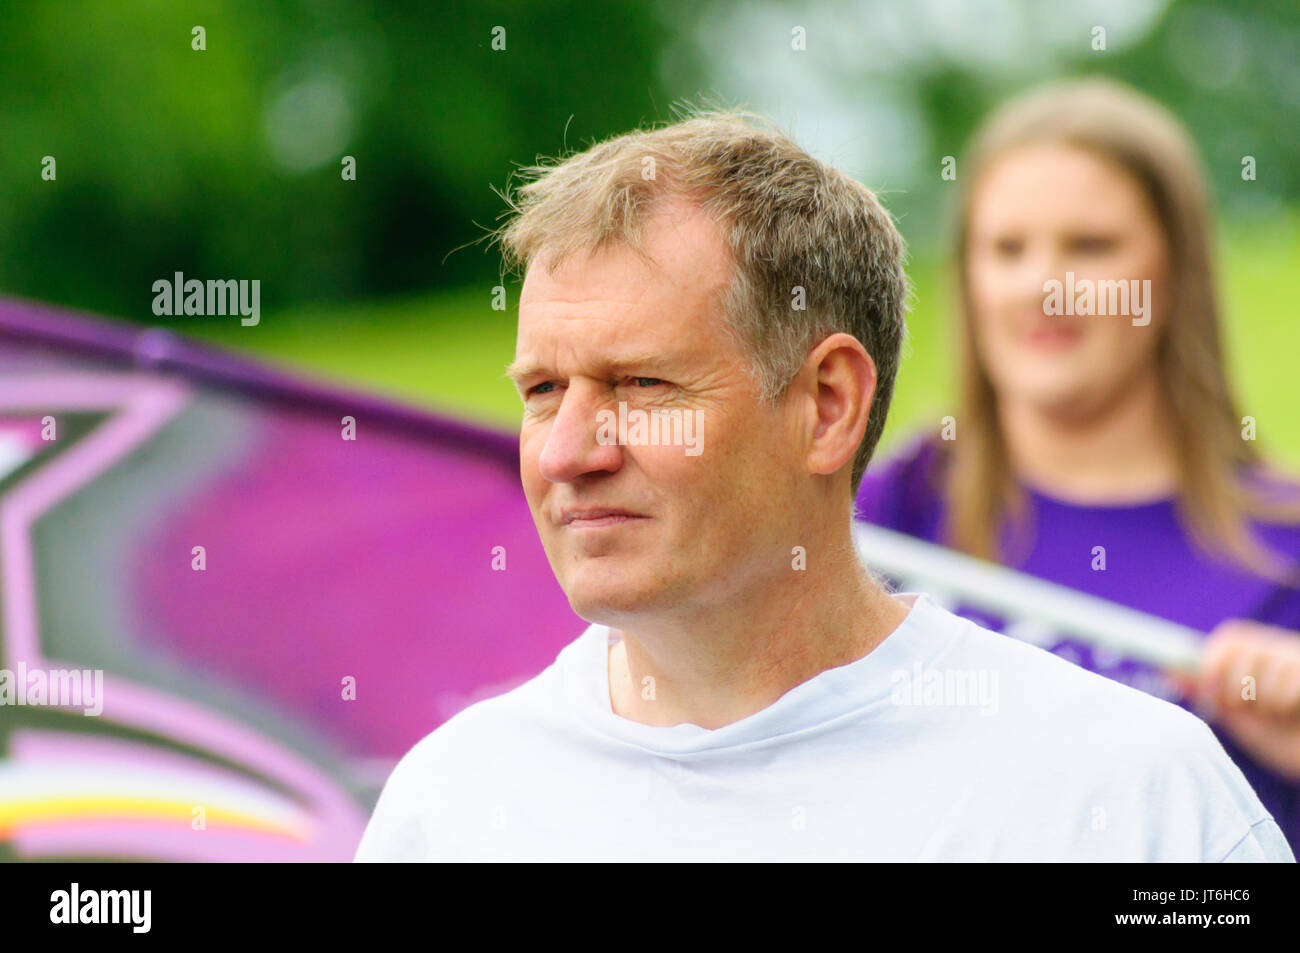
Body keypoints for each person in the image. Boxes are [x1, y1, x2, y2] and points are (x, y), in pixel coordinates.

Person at [355, 108, 1291, 861]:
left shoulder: (1130, 790)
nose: (567, 452)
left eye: (643, 384)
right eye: (543, 390)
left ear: (829, 404)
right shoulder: (450, 810)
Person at [854, 79, 1300, 852]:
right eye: (1007, 249)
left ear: (1175, 273)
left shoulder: (1283, 541)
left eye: (1090, 247)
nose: (1042, 285)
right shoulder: (886, 509)